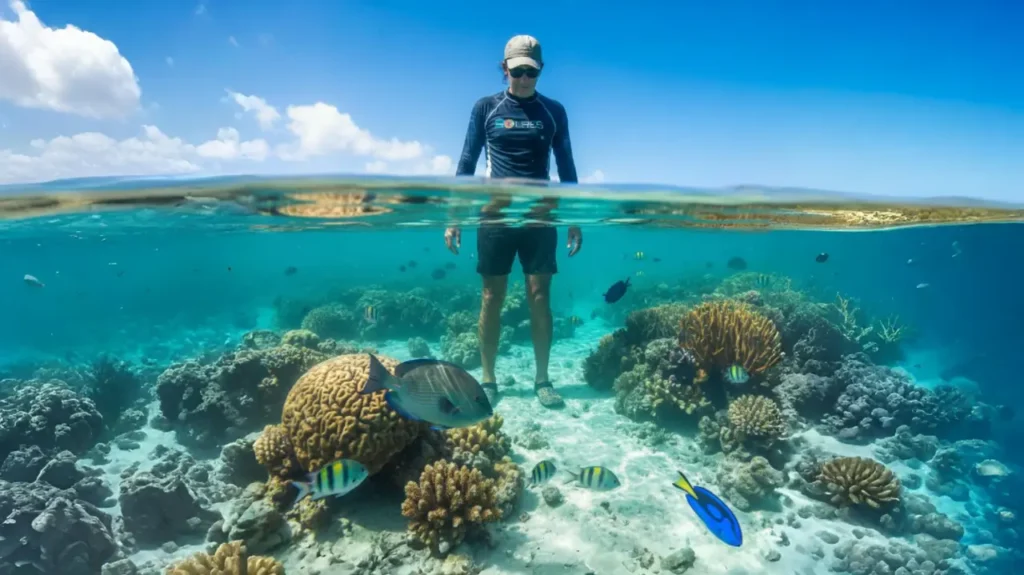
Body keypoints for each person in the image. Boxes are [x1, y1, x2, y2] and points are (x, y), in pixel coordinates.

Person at [444, 34, 582, 410]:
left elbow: (567, 167)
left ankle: (543, 379)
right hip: (496, 216)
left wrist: (573, 217)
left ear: (540, 71)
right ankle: (488, 380)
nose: (523, 79)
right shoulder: (485, 107)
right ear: (504, 68)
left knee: (540, 296)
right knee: (492, 296)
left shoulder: (554, 111)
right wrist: (455, 216)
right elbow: (467, 162)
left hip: (539, 216)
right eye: (517, 71)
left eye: (531, 73)